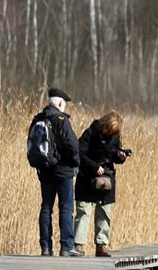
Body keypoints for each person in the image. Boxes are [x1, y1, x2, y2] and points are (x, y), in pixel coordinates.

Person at [29, 88, 84, 257]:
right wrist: (76, 163)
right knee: (66, 208)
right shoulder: (61, 119)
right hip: (63, 171)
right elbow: (73, 145)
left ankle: (46, 247)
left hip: (44, 169)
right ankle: (67, 247)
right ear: (60, 103)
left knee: (46, 207)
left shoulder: (38, 118)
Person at [74, 111, 128, 257]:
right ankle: (78, 245)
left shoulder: (115, 135)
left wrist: (120, 156)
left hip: (106, 179)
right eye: (110, 131)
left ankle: (101, 245)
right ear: (105, 126)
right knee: (83, 211)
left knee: (105, 212)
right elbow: (79, 152)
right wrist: (94, 166)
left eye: (114, 133)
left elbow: (114, 155)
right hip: (87, 178)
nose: (112, 134)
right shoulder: (91, 132)